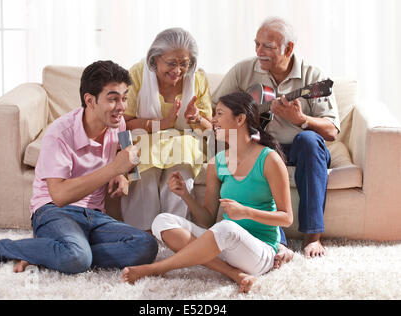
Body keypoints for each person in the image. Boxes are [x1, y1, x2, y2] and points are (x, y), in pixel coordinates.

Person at [0, 60, 158, 275]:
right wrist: (114, 169)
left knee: (146, 245)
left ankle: (47, 253)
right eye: (113, 99)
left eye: (124, 98)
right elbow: (59, 195)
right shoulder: (59, 134)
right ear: (90, 100)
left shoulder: (118, 124)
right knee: (77, 256)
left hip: (94, 215)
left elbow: (125, 153)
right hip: (53, 212)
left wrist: (123, 175)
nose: (122, 107)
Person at [122, 92, 293, 293]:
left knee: (226, 228)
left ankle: (155, 269)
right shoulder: (217, 162)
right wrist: (184, 194)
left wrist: (246, 212)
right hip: (224, 245)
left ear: (240, 119)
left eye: (219, 114)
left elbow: (286, 218)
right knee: (162, 221)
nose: (212, 120)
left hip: (260, 253)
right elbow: (207, 220)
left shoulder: (269, 159)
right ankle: (234, 274)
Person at [211, 17, 340, 258]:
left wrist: (302, 119)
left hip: (302, 149)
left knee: (309, 140)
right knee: (260, 148)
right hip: (265, 146)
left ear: (288, 48)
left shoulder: (313, 77)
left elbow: (331, 131)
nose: (259, 52)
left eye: (267, 46)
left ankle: (313, 238)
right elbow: (215, 107)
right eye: (256, 44)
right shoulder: (244, 70)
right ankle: (277, 242)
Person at [121, 27, 213, 232]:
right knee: (145, 164)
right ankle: (141, 232)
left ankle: (174, 232)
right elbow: (125, 122)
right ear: (155, 59)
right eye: (171, 63)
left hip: (185, 139)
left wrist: (196, 118)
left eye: (184, 64)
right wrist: (163, 124)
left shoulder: (197, 78)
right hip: (147, 136)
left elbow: (210, 127)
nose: (178, 70)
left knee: (182, 158)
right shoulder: (137, 74)